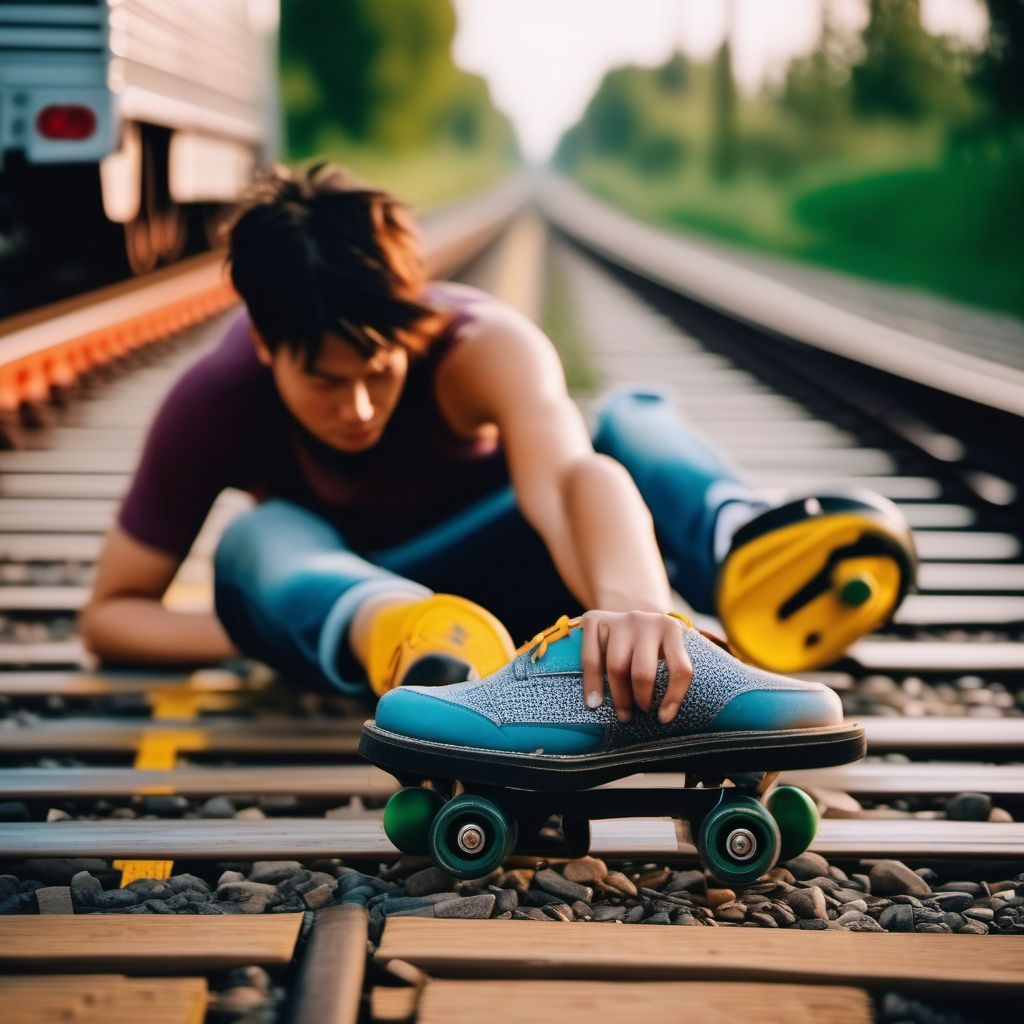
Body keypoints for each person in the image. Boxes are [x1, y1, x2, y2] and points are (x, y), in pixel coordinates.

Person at [81, 163, 914, 727]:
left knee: (624, 423)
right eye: (326, 384)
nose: (361, 407)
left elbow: (568, 484)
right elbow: (111, 615)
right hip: (371, 613)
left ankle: (739, 546)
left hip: (540, 572)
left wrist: (637, 608)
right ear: (265, 345)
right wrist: (263, 627)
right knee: (259, 541)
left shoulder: (484, 344)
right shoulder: (216, 398)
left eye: (379, 369)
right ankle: (427, 650)